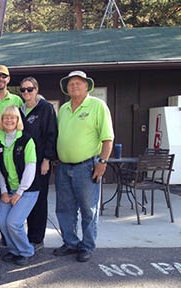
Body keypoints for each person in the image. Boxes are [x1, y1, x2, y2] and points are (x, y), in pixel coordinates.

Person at [54, 70, 114, 262]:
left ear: (87, 86)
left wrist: (102, 163)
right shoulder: (63, 109)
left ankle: (87, 246)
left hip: (87, 166)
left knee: (88, 209)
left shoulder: (98, 106)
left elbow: (108, 138)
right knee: (64, 208)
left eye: (78, 82)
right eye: (71, 83)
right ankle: (70, 243)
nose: (74, 86)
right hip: (63, 167)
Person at [0, 106, 39, 267]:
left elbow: (30, 167)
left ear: (18, 120)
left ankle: (26, 251)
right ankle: (14, 250)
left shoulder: (26, 140)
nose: (9, 120)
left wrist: (19, 192)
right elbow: (0, 169)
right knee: (2, 222)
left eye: (12, 117)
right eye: (6, 117)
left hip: (27, 190)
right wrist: (4, 191)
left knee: (13, 222)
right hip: (9, 189)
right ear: (2, 120)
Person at [19, 77, 58, 251]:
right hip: (23, 162)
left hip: (40, 161)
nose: (26, 92)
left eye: (29, 89)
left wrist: (47, 160)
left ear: (36, 89)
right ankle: (23, 236)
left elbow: (51, 135)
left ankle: (36, 238)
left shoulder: (45, 108)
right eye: (23, 90)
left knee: (39, 200)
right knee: (25, 199)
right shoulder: (20, 110)